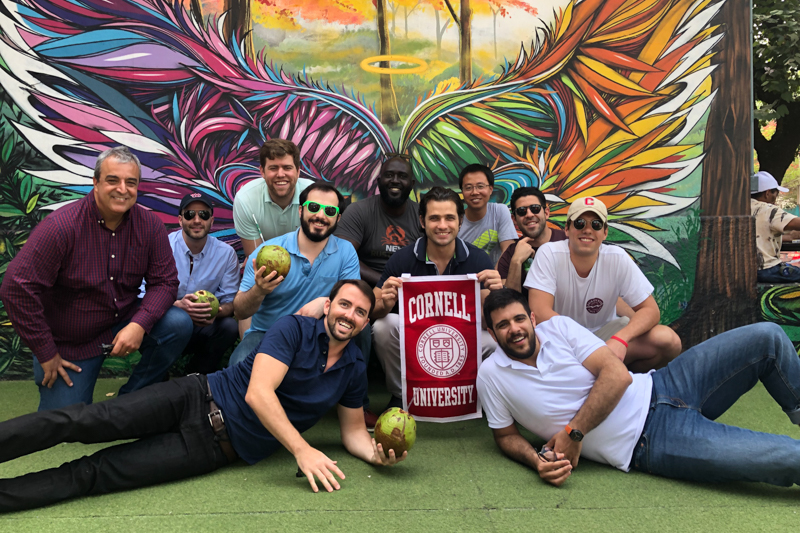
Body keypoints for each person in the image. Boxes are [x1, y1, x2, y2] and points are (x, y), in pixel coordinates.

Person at [0, 280, 406, 512]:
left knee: (94, 474)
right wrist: (302, 450)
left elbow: (353, 430)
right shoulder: (293, 330)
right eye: (344, 304)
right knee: (81, 421)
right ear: (329, 305)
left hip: (211, 450)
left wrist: (375, 454)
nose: (349, 315)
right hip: (193, 396)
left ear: (364, 323)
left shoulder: (353, 367)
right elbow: (259, 394)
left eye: (359, 312)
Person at [476, 289, 800, 488]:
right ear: (491, 331)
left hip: (666, 383)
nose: (514, 329)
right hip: (648, 442)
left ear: (532, 318)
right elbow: (505, 436)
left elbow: (618, 376)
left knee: (767, 336)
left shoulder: (557, 327)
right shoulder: (491, 376)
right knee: (789, 457)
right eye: (503, 325)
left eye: (519, 319)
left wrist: (574, 433)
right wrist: (537, 461)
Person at [0, 146, 188, 411]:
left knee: (178, 323)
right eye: (113, 180)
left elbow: (165, 282)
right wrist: (45, 352)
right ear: (96, 183)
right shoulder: (61, 227)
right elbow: (15, 288)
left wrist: (140, 325)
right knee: (64, 422)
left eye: (131, 182)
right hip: (72, 341)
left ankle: (131, 398)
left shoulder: (149, 225)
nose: (122, 189)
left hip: (122, 321)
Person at [372, 186, 504, 408]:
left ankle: (473, 394)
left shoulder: (478, 259)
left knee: (493, 340)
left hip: (461, 339)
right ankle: (401, 394)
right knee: (384, 325)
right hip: (417, 339)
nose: (442, 226)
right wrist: (385, 303)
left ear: (460, 221)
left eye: (449, 218)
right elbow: (372, 308)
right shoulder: (403, 259)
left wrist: (497, 295)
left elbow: (489, 318)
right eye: (434, 218)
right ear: (422, 221)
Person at [525, 196, 681, 372]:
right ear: (567, 229)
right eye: (580, 223)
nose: (588, 230)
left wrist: (621, 339)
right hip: (562, 342)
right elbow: (539, 311)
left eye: (596, 225)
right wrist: (585, 345)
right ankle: (603, 374)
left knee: (669, 341)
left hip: (605, 338)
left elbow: (651, 311)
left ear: (605, 232)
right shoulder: (549, 254)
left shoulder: (617, 257)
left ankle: (623, 377)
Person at [230, 182, 360, 366]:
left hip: (319, 334)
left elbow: (354, 300)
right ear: (301, 211)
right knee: (238, 368)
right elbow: (240, 311)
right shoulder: (266, 251)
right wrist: (259, 290)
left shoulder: (346, 252)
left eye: (330, 211)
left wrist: (325, 302)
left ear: (338, 218)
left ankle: (353, 389)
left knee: (361, 328)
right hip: (267, 334)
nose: (320, 216)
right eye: (314, 208)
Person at [168, 192, 240, 374]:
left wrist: (215, 311)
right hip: (168, 323)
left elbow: (230, 302)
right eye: (190, 214)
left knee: (229, 327)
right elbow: (144, 293)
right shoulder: (164, 246)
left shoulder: (226, 254)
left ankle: (197, 375)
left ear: (212, 220)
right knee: (169, 320)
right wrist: (177, 307)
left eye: (204, 214)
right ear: (180, 219)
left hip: (204, 326)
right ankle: (158, 373)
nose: (197, 220)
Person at [334, 155, 422, 288]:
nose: (395, 181)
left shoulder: (423, 215)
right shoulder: (359, 211)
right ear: (379, 181)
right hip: (366, 290)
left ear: (412, 184)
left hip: (412, 291)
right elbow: (342, 256)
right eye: (389, 175)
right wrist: (385, 282)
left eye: (402, 176)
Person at [233, 139, 315, 257]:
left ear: (297, 171)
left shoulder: (313, 195)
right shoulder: (246, 199)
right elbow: (255, 257)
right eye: (273, 168)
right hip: (267, 266)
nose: (280, 174)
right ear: (262, 171)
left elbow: (317, 249)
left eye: (287, 167)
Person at [496, 186, 566, 296]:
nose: (529, 214)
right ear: (514, 219)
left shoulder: (568, 242)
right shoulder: (510, 255)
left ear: (546, 213)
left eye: (535, 208)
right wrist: (517, 261)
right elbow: (508, 303)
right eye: (521, 211)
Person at [457, 164, 518, 265]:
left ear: (490, 189)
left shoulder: (499, 211)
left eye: (480, 186)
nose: (475, 192)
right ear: (462, 191)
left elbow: (507, 253)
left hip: (495, 277)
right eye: (468, 188)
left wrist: (493, 277)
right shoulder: (455, 221)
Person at [751, 171, 800, 282]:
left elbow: (759, 236)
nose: (776, 198)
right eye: (776, 194)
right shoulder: (768, 209)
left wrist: (791, 236)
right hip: (767, 269)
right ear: (767, 193)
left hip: (747, 270)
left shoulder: (740, 207)